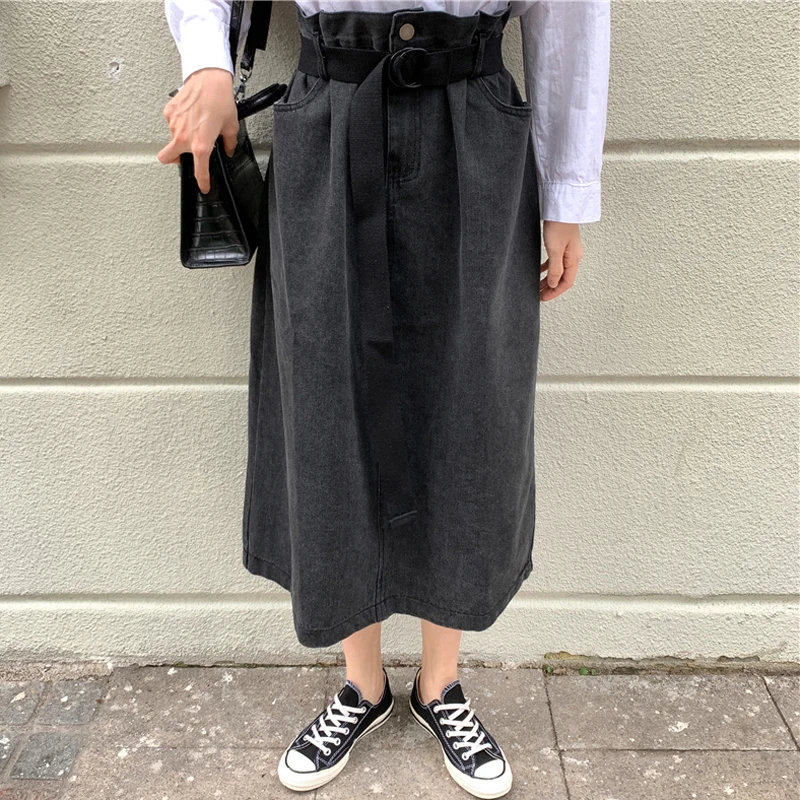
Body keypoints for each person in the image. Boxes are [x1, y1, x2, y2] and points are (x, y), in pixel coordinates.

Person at [160, 1, 610, 795]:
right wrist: (205, 59)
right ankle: (361, 684)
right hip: (331, 111)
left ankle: (441, 683)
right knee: (328, 401)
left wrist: (568, 195)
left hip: (473, 118)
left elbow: (571, 15)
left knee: (471, 404)